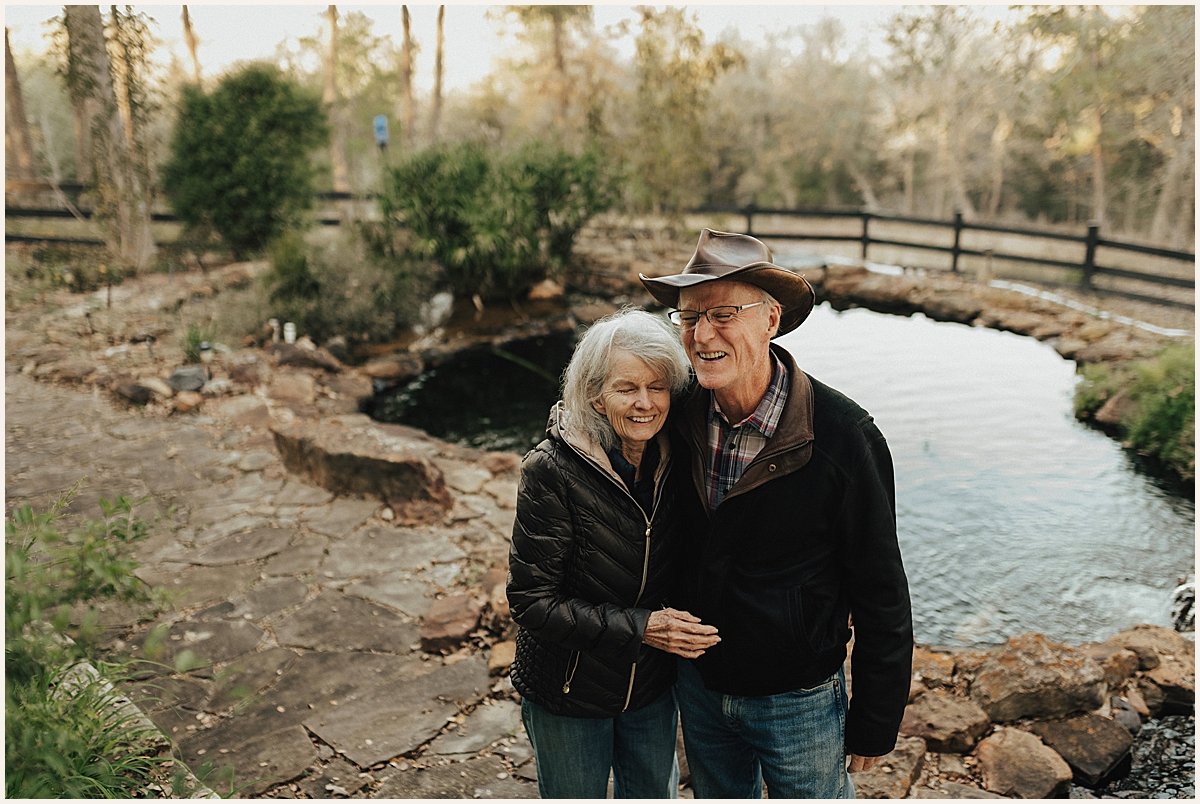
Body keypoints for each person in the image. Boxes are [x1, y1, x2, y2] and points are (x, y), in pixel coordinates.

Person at [639, 229, 914, 799]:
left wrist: (875, 720)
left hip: (800, 700)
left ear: (770, 320)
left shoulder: (844, 435)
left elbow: (881, 589)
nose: (701, 335)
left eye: (723, 314)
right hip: (702, 686)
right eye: (688, 317)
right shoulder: (678, 414)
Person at [507, 308, 722, 799]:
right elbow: (531, 602)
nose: (645, 403)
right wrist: (645, 628)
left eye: (657, 387)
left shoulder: (678, 457)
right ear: (595, 398)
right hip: (568, 690)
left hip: (649, 689)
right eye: (627, 389)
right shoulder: (551, 470)